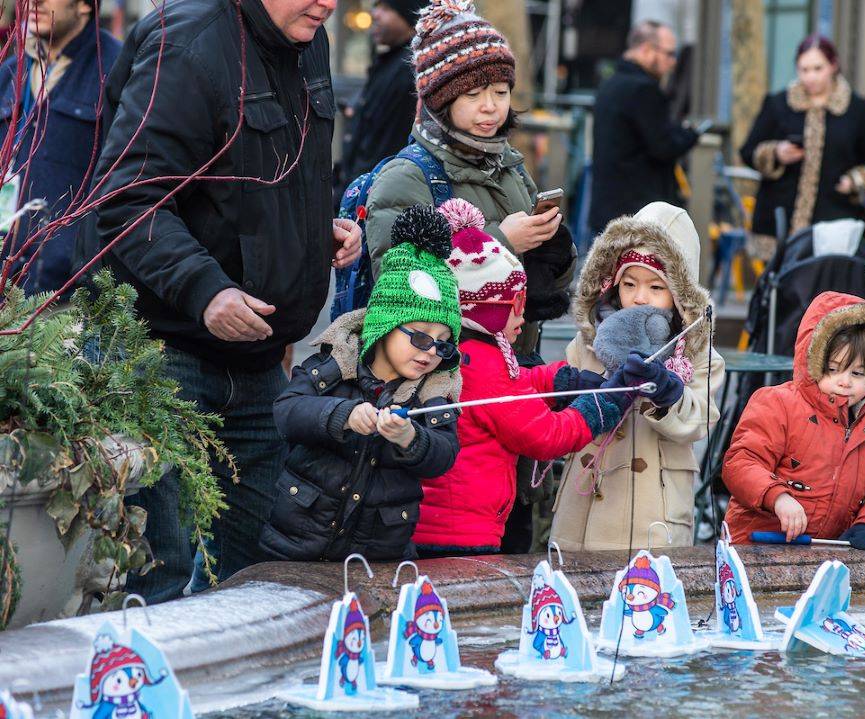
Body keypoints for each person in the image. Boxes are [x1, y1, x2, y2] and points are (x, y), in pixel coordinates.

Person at [89, 0, 362, 602]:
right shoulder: (188, 46)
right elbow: (128, 200)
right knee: (155, 573)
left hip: (262, 360)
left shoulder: (304, 36)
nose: (329, 4)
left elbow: (275, 181)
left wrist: (322, 229)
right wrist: (205, 289)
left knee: (259, 572)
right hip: (163, 355)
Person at [412, 199, 630, 557]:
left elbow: (513, 385)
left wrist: (559, 380)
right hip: (463, 533)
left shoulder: (461, 350)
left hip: (435, 521)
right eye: (515, 306)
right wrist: (602, 406)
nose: (522, 317)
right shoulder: (485, 363)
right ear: (486, 312)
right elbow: (545, 436)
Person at [365, 0, 573, 358]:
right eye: (474, 94)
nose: (491, 106)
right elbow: (399, 286)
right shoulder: (406, 177)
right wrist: (504, 242)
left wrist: (556, 257)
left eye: (501, 92)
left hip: (516, 365)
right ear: (440, 99)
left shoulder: (510, 166)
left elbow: (542, 286)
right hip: (443, 376)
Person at [260, 206, 462, 561]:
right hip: (297, 548)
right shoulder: (334, 365)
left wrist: (411, 439)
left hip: (381, 554)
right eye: (420, 337)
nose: (431, 352)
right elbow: (287, 411)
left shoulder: (435, 392)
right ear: (385, 326)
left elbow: (444, 455)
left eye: (443, 343)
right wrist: (343, 415)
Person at [549, 202, 724, 551]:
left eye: (656, 288)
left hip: (653, 507)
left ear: (679, 295)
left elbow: (700, 420)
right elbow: (558, 411)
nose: (639, 297)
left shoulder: (698, 353)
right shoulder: (589, 341)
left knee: (650, 593)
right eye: (629, 284)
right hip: (586, 500)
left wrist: (667, 393)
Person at [723, 292, 865, 547]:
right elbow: (741, 462)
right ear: (813, 363)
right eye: (833, 369)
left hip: (826, 550)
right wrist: (778, 497)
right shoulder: (778, 403)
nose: (844, 382)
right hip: (761, 544)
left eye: (857, 373)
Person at [0, 0, 119, 295]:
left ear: (84, 5)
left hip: (69, 296)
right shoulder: (9, 71)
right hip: (6, 284)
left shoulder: (115, 69)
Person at [739, 34, 865, 261]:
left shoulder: (860, 109)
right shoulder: (778, 104)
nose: (811, 77)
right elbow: (748, 151)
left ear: (833, 65)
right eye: (804, 69)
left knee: (829, 290)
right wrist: (777, 153)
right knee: (781, 291)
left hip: (837, 218)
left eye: (818, 68)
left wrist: (855, 180)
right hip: (780, 217)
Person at [588, 20, 701, 237]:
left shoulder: (610, 84)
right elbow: (664, 146)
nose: (673, 62)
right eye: (669, 53)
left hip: (607, 211)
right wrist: (691, 135)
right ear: (647, 49)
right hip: (639, 216)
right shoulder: (644, 90)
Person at [336, 0, 425, 198]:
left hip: (373, 199)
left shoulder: (408, 70)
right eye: (376, 6)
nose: (375, 14)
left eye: (386, 8)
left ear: (410, 17)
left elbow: (383, 149)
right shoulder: (390, 63)